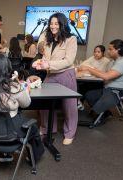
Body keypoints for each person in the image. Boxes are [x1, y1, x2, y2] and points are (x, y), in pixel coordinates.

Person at [0, 53, 44, 163]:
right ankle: (33, 158)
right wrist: (22, 88)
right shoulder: (14, 88)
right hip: (9, 132)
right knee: (32, 127)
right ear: (6, 70)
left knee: (0, 116)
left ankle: (4, 153)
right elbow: (26, 104)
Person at [30, 13, 78, 145]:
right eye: (51, 23)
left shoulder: (71, 39)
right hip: (51, 74)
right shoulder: (48, 39)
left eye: (56, 23)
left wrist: (48, 64)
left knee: (69, 105)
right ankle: (47, 128)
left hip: (66, 73)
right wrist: (40, 62)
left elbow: (68, 61)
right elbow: (45, 56)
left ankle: (70, 133)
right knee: (44, 101)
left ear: (62, 24)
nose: (53, 26)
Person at [79, 39, 123, 123]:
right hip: (111, 86)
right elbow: (106, 73)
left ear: (118, 50)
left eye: (110, 49)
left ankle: (102, 114)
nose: (108, 51)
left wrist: (89, 69)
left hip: (118, 91)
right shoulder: (115, 60)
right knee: (87, 90)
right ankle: (102, 112)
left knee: (90, 93)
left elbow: (106, 76)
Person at [76, 45, 112, 110]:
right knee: (80, 84)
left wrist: (90, 69)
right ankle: (79, 102)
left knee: (83, 86)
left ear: (103, 53)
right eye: (95, 52)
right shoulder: (92, 58)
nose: (96, 54)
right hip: (91, 79)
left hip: (100, 82)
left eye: (98, 52)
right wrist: (90, 69)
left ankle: (81, 102)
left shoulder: (106, 61)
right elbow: (81, 65)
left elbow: (102, 72)